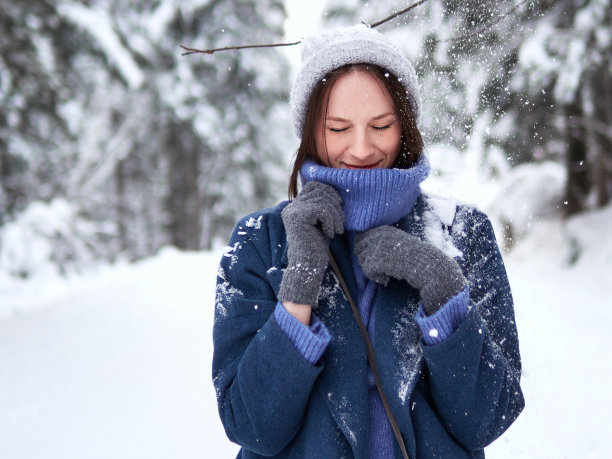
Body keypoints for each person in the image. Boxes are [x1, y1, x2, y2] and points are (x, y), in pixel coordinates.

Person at [213, 24, 524, 458]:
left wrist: (440, 285)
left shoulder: (463, 233)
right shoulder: (258, 243)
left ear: (406, 126)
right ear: (309, 131)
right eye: (338, 128)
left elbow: (487, 419)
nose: (360, 149)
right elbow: (252, 426)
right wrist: (299, 286)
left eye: (380, 125)